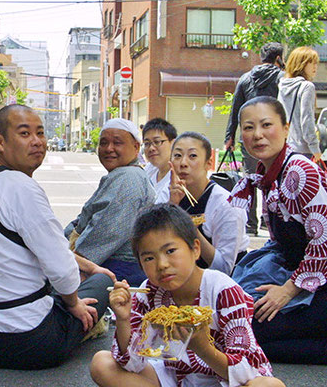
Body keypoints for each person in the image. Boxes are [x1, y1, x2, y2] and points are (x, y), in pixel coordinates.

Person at [0, 104, 113, 370]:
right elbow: (62, 269)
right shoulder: (23, 188)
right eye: (25, 133)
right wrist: (74, 303)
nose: (37, 142)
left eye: (40, 133)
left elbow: (51, 250)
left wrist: (87, 265)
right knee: (101, 283)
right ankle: (82, 327)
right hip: (32, 342)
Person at [90, 204, 284, 387]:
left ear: (195, 249)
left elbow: (246, 372)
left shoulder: (224, 291)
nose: (162, 264)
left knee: (269, 385)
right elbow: (132, 364)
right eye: (149, 258)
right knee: (102, 363)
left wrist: (203, 348)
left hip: (225, 379)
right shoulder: (147, 293)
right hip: (177, 378)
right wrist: (124, 319)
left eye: (170, 251)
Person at [229, 96, 327, 364]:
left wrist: (286, 291)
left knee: (246, 334)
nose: (257, 135)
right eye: (248, 127)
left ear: (286, 127)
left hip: (319, 281)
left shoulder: (299, 171)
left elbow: (324, 243)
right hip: (300, 275)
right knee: (236, 321)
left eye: (266, 125)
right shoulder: (269, 172)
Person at [64, 118, 155, 286]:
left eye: (117, 143)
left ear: (136, 147)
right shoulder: (123, 174)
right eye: (103, 143)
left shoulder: (129, 178)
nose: (109, 149)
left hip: (115, 270)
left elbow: (107, 232)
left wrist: (75, 260)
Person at [167, 132, 248, 275]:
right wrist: (171, 207)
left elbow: (224, 268)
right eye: (178, 156)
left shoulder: (226, 204)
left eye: (192, 156)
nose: (183, 163)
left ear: (208, 163)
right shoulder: (167, 194)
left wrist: (192, 230)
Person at [225, 42, 284, 236]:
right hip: (273, 138)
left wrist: (229, 137)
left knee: (250, 178)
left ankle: (250, 226)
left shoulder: (245, 78)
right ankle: (270, 223)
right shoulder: (282, 78)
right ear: (278, 58)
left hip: (249, 137)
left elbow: (235, 110)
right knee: (275, 179)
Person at [277, 46, 321, 160]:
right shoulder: (307, 86)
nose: (315, 67)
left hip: (285, 148)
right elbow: (307, 121)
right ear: (301, 64)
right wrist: (315, 148)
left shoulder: (282, 85)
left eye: (316, 63)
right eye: (311, 63)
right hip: (303, 150)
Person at [142, 118, 177, 203]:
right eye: (147, 143)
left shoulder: (178, 177)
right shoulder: (150, 169)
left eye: (157, 142)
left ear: (173, 143)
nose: (151, 148)